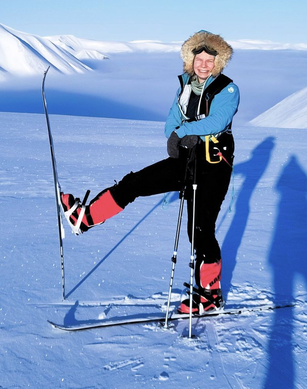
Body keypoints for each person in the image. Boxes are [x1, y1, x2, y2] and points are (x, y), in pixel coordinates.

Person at [60, 30, 239, 314]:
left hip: (214, 166)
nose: (203, 65)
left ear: (218, 63)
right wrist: (176, 137)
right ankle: (86, 217)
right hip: (188, 158)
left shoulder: (227, 89)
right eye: (199, 59)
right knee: (136, 183)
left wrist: (185, 132)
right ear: (190, 60)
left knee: (201, 232)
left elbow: (218, 121)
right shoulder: (185, 86)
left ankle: (210, 295)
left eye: (209, 61)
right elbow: (172, 121)